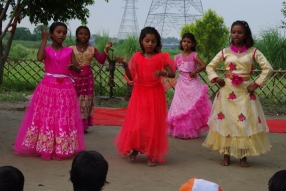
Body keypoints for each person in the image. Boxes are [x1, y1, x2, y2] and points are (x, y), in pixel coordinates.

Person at [203, 20, 273, 167]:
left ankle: (243, 157)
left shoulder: (253, 52)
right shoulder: (225, 52)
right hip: (227, 91)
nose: (236, 35)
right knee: (227, 121)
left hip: (245, 92)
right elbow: (210, 66)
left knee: (244, 123)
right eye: (233, 32)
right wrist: (216, 79)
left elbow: (268, 68)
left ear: (246, 34)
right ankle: (226, 155)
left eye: (239, 32)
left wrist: (256, 84)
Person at [14, 22, 86, 160]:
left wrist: (73, 68)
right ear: (52, 34)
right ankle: (44, 146)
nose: (62, 35)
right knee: (46, 116)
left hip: (65, 89)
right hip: (47, 88)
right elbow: (39, 58)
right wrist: (44, 39)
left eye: (64, 33)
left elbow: (78, 69)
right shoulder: (46, 49)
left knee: (62, 116)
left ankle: (62, 146)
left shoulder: (69, 51)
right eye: (59, 32)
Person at [113, 26, 175, 167]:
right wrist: (124, 65)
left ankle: (151, 154)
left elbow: (171, 74)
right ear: (141, 41)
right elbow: (131, 77)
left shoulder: (161, 57)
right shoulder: (136, 57)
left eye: (153, 41)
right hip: (139, 93)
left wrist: (162, 73)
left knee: (152, 125)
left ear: (157, 42)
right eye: (147, 41)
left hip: (155, 94)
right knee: (138, 123)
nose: (149, 44)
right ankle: (135, 149)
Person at [167, 33, 212, 139]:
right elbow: (173, 70)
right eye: (184, 41)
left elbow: (203, 65)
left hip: (192, 83)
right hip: (181, 84)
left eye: (189, 42)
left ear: (193, 44)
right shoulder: (177, 57)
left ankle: (190, 130)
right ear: (181, 42)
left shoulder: (194, 55)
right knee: (180, 106)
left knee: (191, 106)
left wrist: (195, 71)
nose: (186, 43)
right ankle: (180, 130)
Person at [70, 26, 113, 133]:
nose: (83, 36)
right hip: (73, 77)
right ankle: (71, 123)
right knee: (72, 99)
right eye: (80, 34)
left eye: (85, 34)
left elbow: (101, 60)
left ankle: (82, 125)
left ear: (89, 36)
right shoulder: (70, 49)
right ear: (77, 35)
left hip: (87, 79)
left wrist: (106, 49)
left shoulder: (92, 49)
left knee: (85, 101)